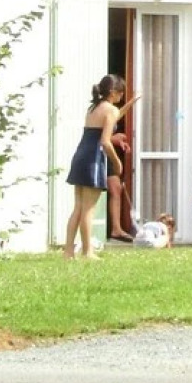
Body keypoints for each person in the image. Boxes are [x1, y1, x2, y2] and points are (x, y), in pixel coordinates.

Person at [63, 74, 137, 259]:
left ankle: (68, 251)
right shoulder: (110, 110)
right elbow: (105, 141)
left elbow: (115, 115)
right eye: (121, 93)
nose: (121, 97)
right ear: (113, 92)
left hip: (80, 156)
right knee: (89, 209)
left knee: (78, 207)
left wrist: (132, 103)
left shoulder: (93, 108)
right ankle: (88, 252)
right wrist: (116, 161)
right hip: (93, 160)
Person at [107, 121, 136, 243]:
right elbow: (94, 136)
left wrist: (119, 141)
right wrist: (113, 138)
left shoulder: (112, 111)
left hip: (108, 153)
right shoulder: (102, 109)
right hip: (97, 154)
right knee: (94, 192)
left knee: (116, 188)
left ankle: (116, 229)